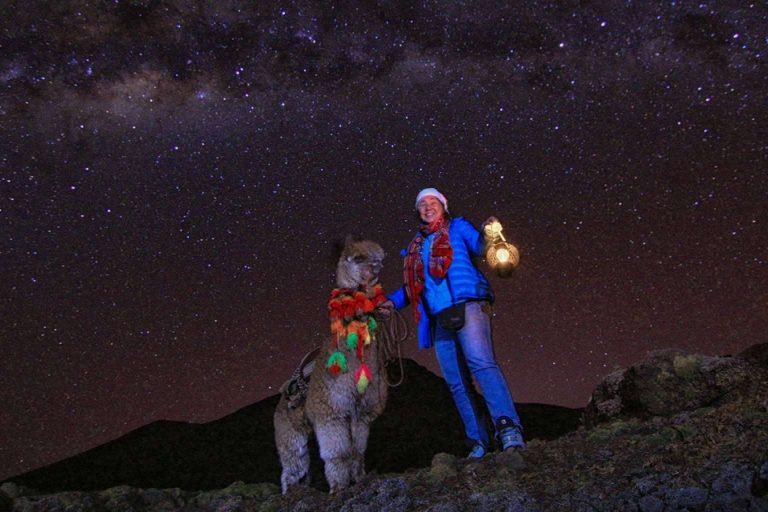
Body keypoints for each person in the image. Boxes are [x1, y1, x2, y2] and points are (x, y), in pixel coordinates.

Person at [379, 187, 525, 457]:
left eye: (432, 201)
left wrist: (489, 230)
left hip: (468, 304)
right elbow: (414, 286)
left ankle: (508, 429)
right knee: (456, 381)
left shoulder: (457, 227)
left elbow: (481, 246)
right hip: (439, 318)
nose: (427, 207)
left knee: (482, 365)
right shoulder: (417, 245)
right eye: (421, 204)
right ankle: (478, 441)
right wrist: (392, 302)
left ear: (443, 205)